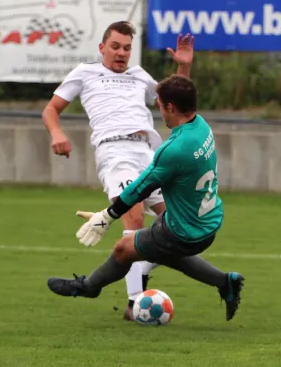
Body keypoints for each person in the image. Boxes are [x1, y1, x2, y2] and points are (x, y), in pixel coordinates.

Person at [47, 75, 245, 322]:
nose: (159, 110)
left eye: (160, 105)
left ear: (171, 107)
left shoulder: (174, 149)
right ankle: (225, 282)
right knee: (165, 254)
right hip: (209, 221)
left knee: (123, 250)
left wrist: (106, 217)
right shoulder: (202, 126)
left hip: (183, 231)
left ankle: (88, 287)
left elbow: (138, 189)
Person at [41, 21, 195, 321]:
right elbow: (50, 109)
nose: (121, 53)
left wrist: (184, 68)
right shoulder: (85, 73)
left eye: (126, 48)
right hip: (115, 153)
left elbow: (174, 98)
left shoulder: (139, 76)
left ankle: (131, 266)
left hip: (149, 154)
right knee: (134, 216)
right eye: (115, 46)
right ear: (102, 47)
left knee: (179, 229)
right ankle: (135, 302)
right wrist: (57, 133)